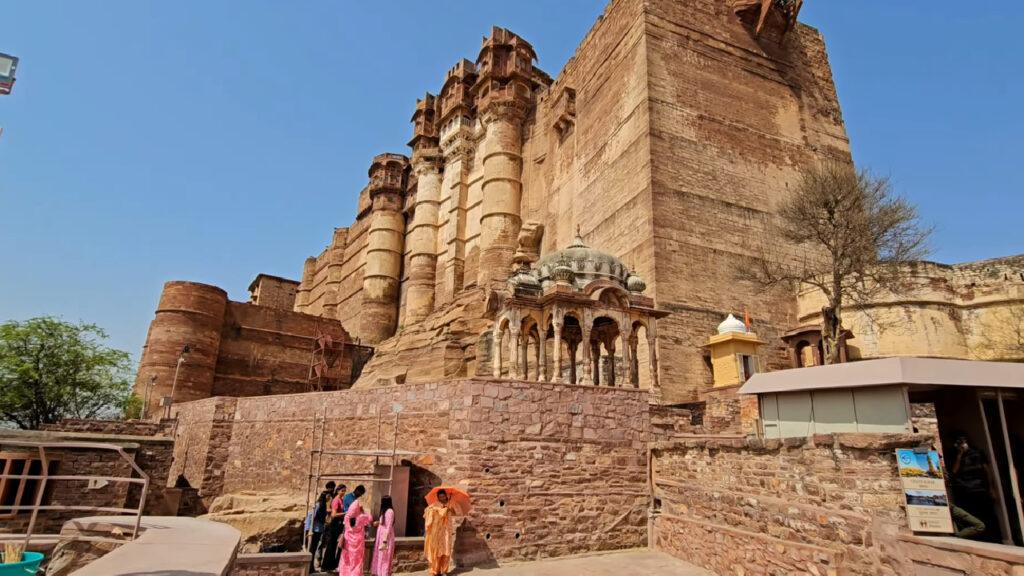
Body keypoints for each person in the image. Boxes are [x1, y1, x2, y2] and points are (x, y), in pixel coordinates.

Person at [949, 433, 997, 542]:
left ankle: (991, 538)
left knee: (986, 516)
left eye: (963, 442)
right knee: (969, 517)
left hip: (979, 489)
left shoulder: (977, 453)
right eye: (959, 443)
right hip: (964, 491)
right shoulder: (954, 454)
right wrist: (959, 455)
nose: (962, 445)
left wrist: (992, 488)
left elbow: (987, 470)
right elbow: (954, 471)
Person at [339, 498, 373, 576]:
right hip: (358, 543)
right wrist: (363, 510)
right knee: (357, 560)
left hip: (348, 542)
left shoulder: (347, 517)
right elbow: (370, 518)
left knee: (347, 559)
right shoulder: (361, 517)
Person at [424, 489, 455, 576]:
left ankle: (444, 570)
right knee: (437, 551)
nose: (442, 498)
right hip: (438, 531)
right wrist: (441, 510)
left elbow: (455, 513)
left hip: (447, 531)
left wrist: (450, 509)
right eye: (440, 497)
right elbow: (428, 511)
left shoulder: (450, 504)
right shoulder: (435, 505)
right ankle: (435, 570)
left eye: (443, 496)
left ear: (446, 496)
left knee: (446, 550)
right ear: (438, 497)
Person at [305, 480, 335, 572]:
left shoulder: (323, 507)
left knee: (313, 549)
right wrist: (308, 530)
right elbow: (311, 516)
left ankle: (311, 568)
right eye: (329, 497)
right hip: (314, 530)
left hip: (318, 530)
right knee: (311, 549)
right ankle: (309, 568)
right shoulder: (319, 505)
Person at [320, 483, 347, 571]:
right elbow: (334, 514)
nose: (343, 492)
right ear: (338, 491)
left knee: (336, 545)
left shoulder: (341, 500)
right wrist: (345, 513)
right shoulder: (336, 500)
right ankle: (326, 566)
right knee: (331, 545)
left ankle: (332, 565)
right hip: (335, 524)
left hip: (339, 524)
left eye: (344, 491)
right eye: (342, 491)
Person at [371, 496, 396, 576]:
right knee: (380, 556)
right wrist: (378, 522)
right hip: (381, 536)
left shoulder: (389, 511)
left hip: (385, 537)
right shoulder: (385, 511)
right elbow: (384, 522)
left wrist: (385, 540)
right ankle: (379, 573)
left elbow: (388, 526)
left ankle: (383, 573)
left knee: (385, 557)